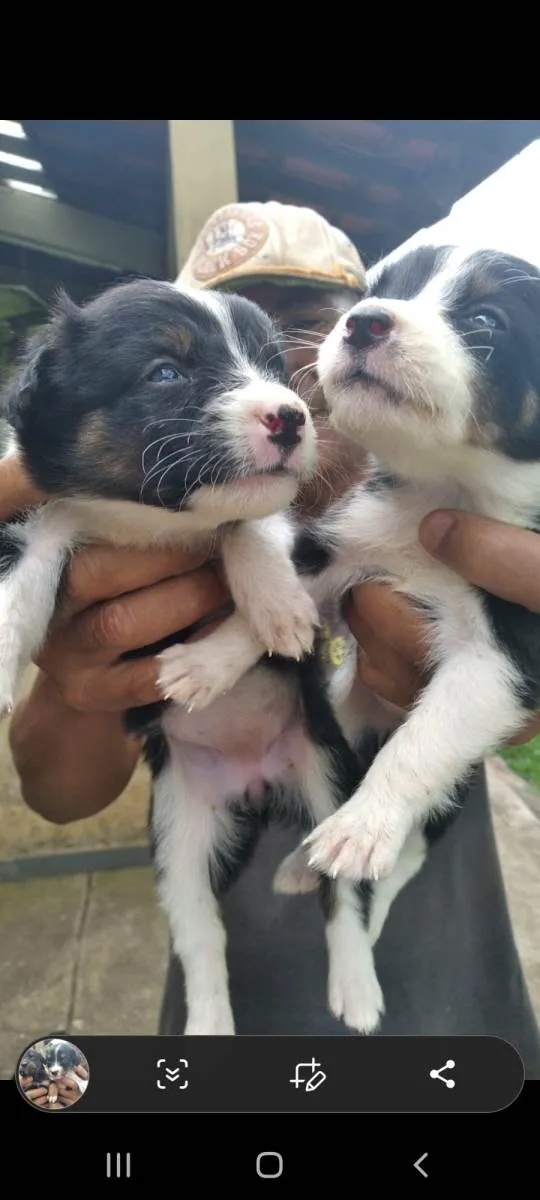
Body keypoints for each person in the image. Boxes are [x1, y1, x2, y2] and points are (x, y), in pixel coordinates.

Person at [4, 201, 540, 1075]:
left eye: (300, 330)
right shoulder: (131, 534)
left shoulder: (459, 505)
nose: (273, 387)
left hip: (439, 945)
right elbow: (58, 794)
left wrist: (513, 684)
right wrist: (72, 674)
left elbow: (504, 678)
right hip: (231, 967)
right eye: (200, 358)